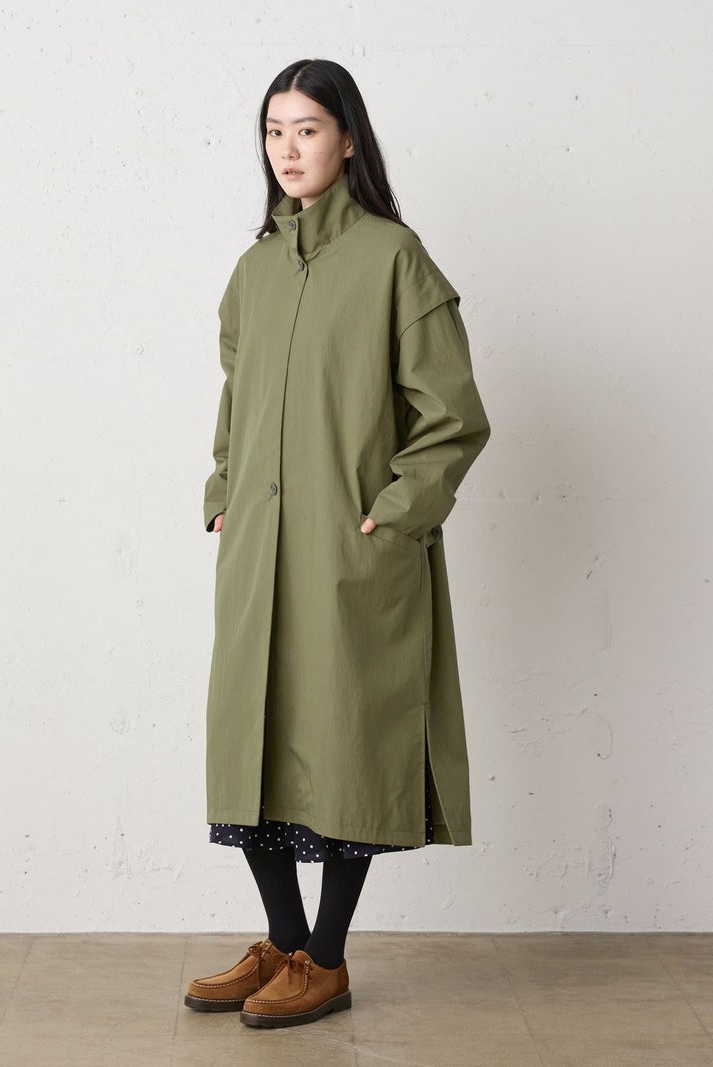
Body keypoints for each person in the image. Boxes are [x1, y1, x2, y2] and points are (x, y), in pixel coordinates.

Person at [186, 58, 491, 1029]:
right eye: (273, 130)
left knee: (345, 741)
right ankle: (283, 941)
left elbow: (452, 416)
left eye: (307, 128)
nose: (287, 148)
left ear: (347, 139)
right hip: (258, 552)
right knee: (249, 737)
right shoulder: (254, 270)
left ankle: (325, 956)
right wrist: (223, 495)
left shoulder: (394, 258)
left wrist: (394, 514)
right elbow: (234, 405)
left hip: (347, 555)